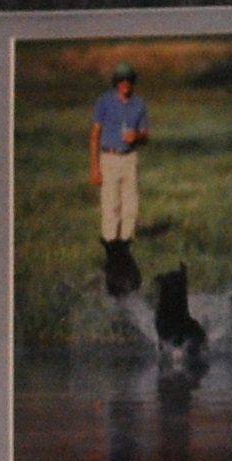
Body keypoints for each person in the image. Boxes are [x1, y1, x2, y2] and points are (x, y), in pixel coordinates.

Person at [90, 63, 147, 293]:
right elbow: (95, 134)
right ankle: (111, 251)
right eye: (121, 80)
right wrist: (95, 166)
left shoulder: (139, 104)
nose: (125, 84)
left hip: (129, 157)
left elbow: (145, 135)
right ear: (116, 82)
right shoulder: (104, 102)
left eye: (129, 80)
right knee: (111, 206)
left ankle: (124, 248)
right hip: (109, 156)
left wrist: (137, 136)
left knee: (131, 207)